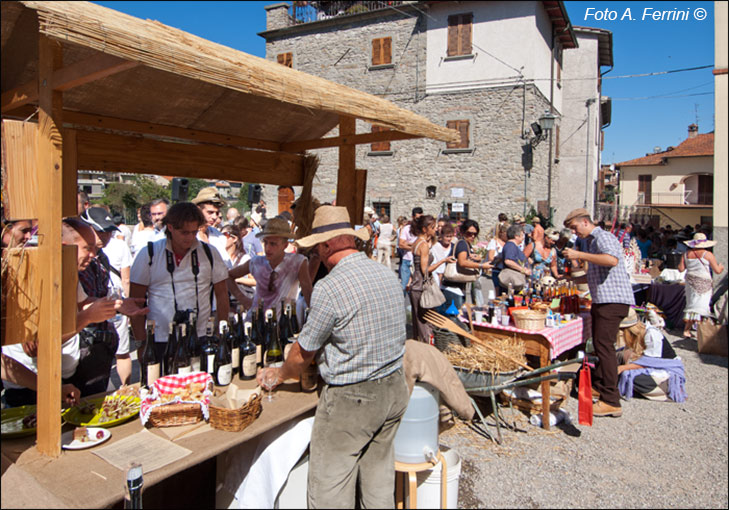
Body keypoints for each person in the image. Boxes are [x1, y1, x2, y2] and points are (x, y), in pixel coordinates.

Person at [257, 205, 409, 508]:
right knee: (378, 484)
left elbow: (303, 353)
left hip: (353, 399)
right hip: (394, 387)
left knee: (329, 492)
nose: (318, 256)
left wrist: (278, 374)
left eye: (318, 249)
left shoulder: (331, 286)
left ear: (327, 245)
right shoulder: (386, 273)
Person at [2, 218, 148, 406]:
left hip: (62, 376)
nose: (94, 255)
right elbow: (37, 347)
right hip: (30, 386)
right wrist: (87, 318)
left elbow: (84, 303)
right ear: (64, 247)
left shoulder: (67, 271)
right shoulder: (30, 278)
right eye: (87, 248)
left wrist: (116, 305)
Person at [130, 202, 230, 359]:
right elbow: (135, 303)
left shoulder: (209, 253)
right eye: (184, 233)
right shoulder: (149, 254)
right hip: (160, 338)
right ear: (170, 227)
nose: (190, 238)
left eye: (194, 232)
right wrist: (141, 343)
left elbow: (222, 295)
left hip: (201, 335)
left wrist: (220, 332)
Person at [564, 208, 634, 418]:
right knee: (602, 346)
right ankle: (602, 388)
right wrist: (572, 281)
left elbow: (612, 260)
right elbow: (597, 271)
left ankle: (611, 400)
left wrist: (579, 255)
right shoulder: (594, 242)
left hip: (611, 301)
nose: (575, 233)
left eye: (575, 228)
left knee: (604, 348)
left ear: (585, 222)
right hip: (605, 300)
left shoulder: (603, 237)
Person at [81, 207, 135, 385]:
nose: (105, 236)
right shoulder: (76, 261)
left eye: (109, 232)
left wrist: (121, 304)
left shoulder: (101, 258)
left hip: (102, 337)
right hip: (81, 340)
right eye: (100, 231)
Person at [227, 217, 312, 317]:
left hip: (283, 323)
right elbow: (229, 276)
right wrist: (244, 300)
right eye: (265, 242)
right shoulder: (256, 262)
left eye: (273, 244)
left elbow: (308, 293)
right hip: (257, 320)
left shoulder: (297, 262)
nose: (267, 248)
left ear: (285, 245)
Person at [616, 309, 686, 402]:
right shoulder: (642, 333)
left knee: (629, 375)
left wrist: (622, 368)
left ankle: (665, 390)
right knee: (620, 356)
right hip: (652, 365)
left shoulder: (652, 334)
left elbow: (650, 362)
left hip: (665, 369)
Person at [678, 233, 725, 338]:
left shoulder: (686, 254)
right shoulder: (707, 254)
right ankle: (702, 330)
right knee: (701, 307)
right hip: (704, 283)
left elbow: (681, 269)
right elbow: (717, 271)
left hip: (690, 282)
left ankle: (687, 330)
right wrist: (721, 267)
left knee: (691, 306)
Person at [441, 219, 492, 310]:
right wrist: (481, 266)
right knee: (454, 316)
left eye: (475, 234)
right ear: (463, 232)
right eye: (469, 233)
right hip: (453, 288)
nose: (472, 236)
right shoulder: (462, 244)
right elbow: (462, 262)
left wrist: (477, 259)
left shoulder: (467, 245)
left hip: (458, 287)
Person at [408, 215, 437, 342]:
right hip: (421, 287)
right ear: (425, 229)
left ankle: (418, 346)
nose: (435, 229)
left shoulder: (416, 242)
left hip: (415, 285)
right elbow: (425, 270)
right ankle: (428, 349)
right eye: (433, 227)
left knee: (418, 321)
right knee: (425, 323)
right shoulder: (423, 245)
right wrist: (442, 262)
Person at [191, 186, 231, 265]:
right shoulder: (187, 235)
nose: (214, 217)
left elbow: (227, 265)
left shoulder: (219, 236)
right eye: (210, 212)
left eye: (216, 213)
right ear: (198, 209)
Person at [495, 224, 531, 295]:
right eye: (522, 235)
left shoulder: (512, 246)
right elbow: (508, 261)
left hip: (516, 282)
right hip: (512, 281)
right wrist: (523, 270)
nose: (523, 237)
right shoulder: (510, 246)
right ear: (516, 236)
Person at [398, 207, 422, 293]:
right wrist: (414, 247)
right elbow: (401, 244)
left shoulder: (424, 228)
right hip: (407, 259)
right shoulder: (407, 228)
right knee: (404, 285)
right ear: (413, 217)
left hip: (419, 260)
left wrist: (409, 244)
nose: (419, 220)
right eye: (417, 218)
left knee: (417, 286)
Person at [487, 222, 508, 292]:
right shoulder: (494, 242)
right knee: (498, 291)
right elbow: (491, 258)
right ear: (502, 233)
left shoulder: (509, 243)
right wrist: (500, 257)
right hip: (497, 270)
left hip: (507, 271)